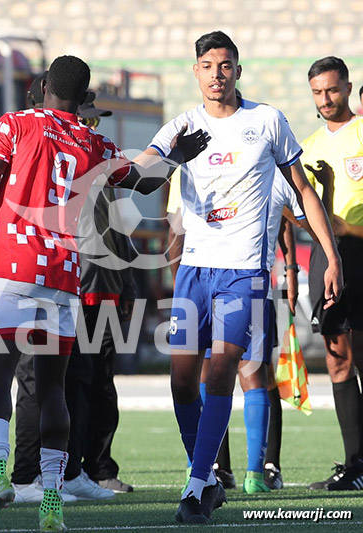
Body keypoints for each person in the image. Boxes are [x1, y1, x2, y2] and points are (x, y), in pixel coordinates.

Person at [0, 55, 210, 533]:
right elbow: (143, 180)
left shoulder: (15, 125)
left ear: (45, 84)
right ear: (85, 95)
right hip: (64, 280)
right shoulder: (93, 140)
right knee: (53, 389)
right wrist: (177, 156)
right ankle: (51, 499)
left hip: (13, 270)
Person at [136, 31, 342, 524]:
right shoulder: (182, 126)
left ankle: (194, 488)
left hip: (244, 271)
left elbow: (304, 192)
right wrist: (170, 158)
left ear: (238, 70)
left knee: (221, 373)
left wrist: (330, 256)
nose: (216, 74)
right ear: (196, 71)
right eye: (207, 66)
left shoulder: (267, 121)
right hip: (193, 272)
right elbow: (141, 175)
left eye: (225, 65)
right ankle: (206, 477)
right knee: (182, 383)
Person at [0, 77, 134, 502]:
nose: (94, 122)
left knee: (79, 381)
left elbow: (114, 234)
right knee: (37, 384)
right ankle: (30, 478)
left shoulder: (80, 148)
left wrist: (125, 281)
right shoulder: (71, 147)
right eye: (92, 114)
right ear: (77, 103)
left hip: (76, 284)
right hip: (59, 281)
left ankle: (65, 472)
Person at [168, 167, 303, 494]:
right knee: (250, 374)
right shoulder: (274, 170)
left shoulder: (192, 165)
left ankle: (202, 469)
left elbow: (175, 232)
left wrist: (181, 284)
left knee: (209, 374)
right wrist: (292, 267)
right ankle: (251, 474)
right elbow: (297, 219)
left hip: (210, 281)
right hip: (250, 284)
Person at [300, 56, 363, 490]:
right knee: (338, 361)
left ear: (347, 86)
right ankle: (354, 465)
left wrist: (348, 228)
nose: (325, 99)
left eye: (333, 90)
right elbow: (297, 208)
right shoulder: (307, 147)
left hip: (359, 250)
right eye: (318, 92)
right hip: (326, 259)